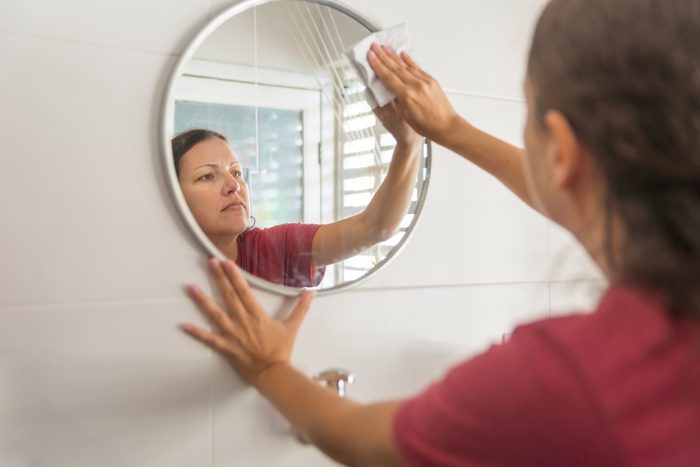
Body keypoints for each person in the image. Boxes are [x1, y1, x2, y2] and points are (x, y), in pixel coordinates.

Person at [180, 0, 700, 465]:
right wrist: (448, 129)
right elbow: (582, 198)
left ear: (560, 152)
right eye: (208, 176)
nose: (232, 185)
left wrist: (270, 368)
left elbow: (361, 440)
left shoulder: (568, 381)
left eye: (528, 111)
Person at [172, 101, 423, 287]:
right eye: (207, 176)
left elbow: (374, 228)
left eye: (236, 172)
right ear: (171, 195)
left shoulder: (277, 249)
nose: (233, 185)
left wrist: (409, 143)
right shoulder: (158, 271)